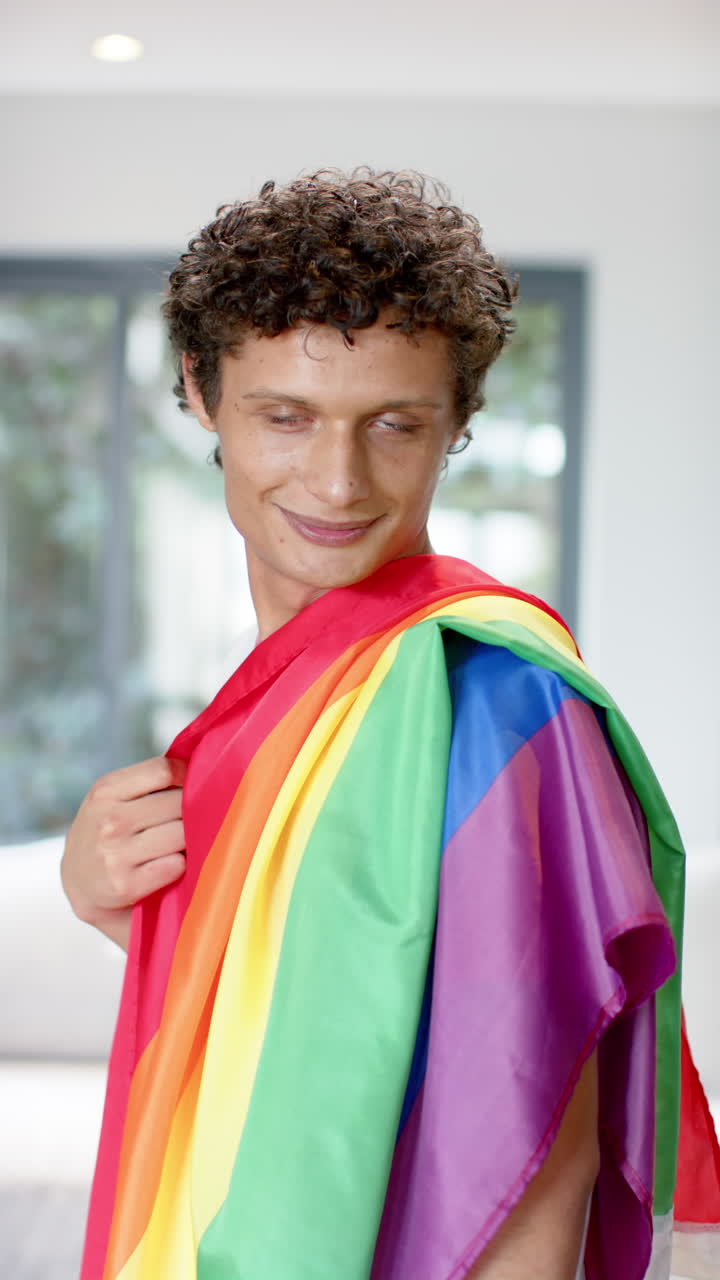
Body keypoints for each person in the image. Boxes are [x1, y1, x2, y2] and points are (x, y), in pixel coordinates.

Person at [61, 170, 718, 1280]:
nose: (337, 476)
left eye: (395, 424)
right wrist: (117, 907)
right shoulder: (265, 712)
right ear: (199, 389)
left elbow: (527, 1150)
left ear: (458, 421)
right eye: (285, 415)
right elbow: (308, 1021)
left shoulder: (501, 703)